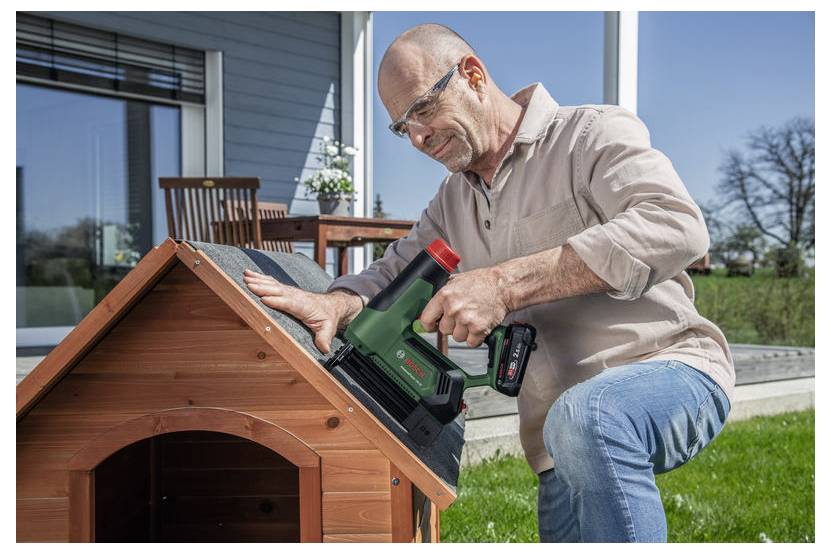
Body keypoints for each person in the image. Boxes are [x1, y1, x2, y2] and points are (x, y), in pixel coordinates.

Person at [243, 23, 735, 543]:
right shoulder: (454, 201)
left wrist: (504, 285)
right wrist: (336, 302)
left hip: (671, 371)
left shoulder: (589, 134)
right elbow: (392, 274)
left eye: (423, 111)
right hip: (556, 434)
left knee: (589, 415)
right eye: (401, 128)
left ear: (472, 76)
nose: (416, 138)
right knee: (574, 423)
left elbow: (674, 225)